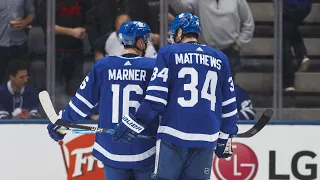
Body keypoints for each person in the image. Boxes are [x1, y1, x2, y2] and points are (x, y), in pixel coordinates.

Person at [113, 12, 238, 180]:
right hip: (206, 137)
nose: (172, 39)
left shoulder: (168, 53)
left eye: (174, 35)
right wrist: (225, 137)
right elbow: (229, 106)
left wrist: (136, 121)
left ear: (180, 33)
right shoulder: (220, 58)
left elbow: (156, 99)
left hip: (173, 135)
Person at [46, 21, 159, 180]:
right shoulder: (154, 67)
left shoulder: (103, 66)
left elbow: (82, 104)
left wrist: (62, 122)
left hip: (111, 150)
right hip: (145, 149)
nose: (148, 43)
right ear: (140, 42)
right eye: (146, 39)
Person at [0, 0, 35, 83]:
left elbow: (32, 14)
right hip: (1, 44)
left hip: (19, 44)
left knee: (21, 80)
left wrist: (25, 22)